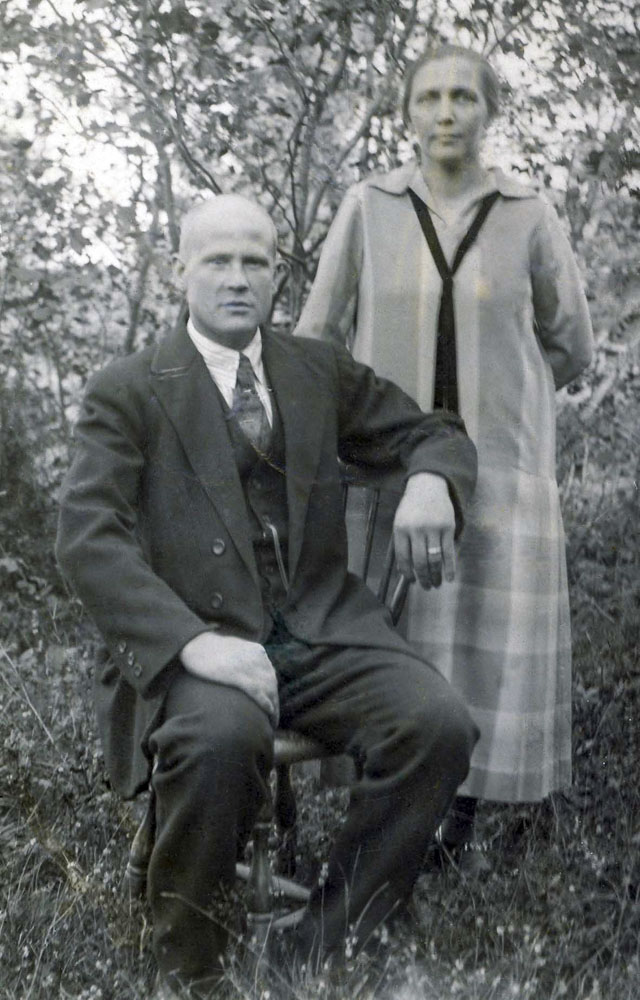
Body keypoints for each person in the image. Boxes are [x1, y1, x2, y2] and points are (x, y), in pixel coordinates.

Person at [56, 193, 479, 998]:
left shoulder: (315, 369)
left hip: (318, 629)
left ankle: (327, 939)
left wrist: (431, 482)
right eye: (217, 260)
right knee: (218, 740)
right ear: (180, 271)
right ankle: (192, 962)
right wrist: (192, 644)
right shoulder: (129, 390)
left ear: (277, 273)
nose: (237, 277)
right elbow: (87, 538)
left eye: (255, 261)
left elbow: (434, 431)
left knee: (437, 725)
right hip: (197, 641)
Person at [295, 45, 594, 861]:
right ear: (407, 113)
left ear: (490, 110)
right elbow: (317, 336)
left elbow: (570, 344)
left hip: (500, 470)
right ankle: (388, 809)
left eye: (464, 95)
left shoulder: (529, 213)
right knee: (395, 636)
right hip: (386, 470)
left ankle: (459, 817)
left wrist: (506, 402)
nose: (447, 112)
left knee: (481, 647)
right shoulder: (369, 206)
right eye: (429, 97)